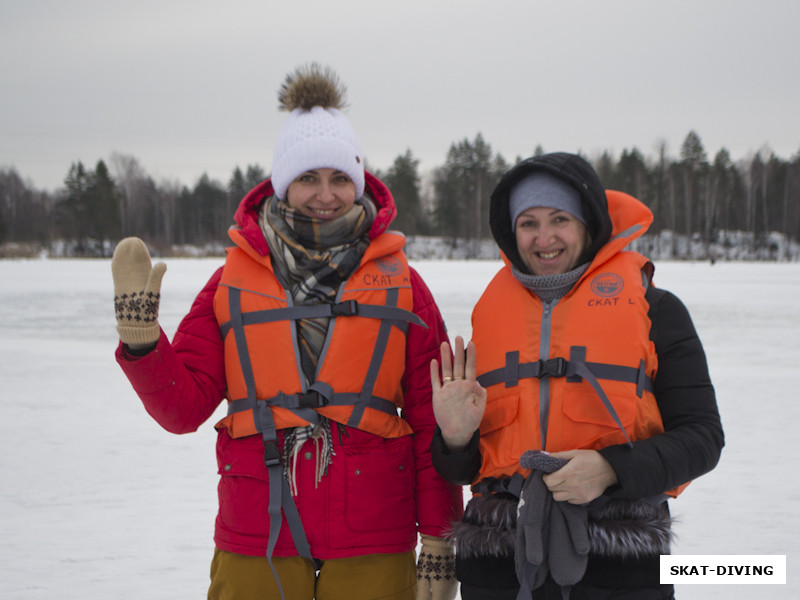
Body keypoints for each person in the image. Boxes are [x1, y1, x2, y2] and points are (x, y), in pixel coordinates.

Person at [112, 63, 462, 600]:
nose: (326, 194)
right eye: (308, 178)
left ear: (359, 182)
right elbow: (182, 409)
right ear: (282, 183)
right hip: (258, 529)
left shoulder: (404, 285)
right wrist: (143, 346)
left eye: (340, 178)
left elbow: (432, 422)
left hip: (374, 530)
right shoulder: (231, 281)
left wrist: (439, 539)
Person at [429, 152, 724, 600]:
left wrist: (610, 469)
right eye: (528, 223)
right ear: (511, 231)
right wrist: (454, 439)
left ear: (587, 223)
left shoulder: (657, 309)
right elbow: (466, 468)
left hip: (619, 565)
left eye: (559, 219)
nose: (544, 238)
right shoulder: (490, 315)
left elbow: (703, 438)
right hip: (498, 565)